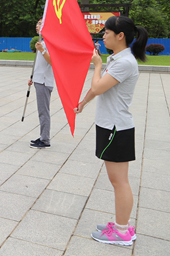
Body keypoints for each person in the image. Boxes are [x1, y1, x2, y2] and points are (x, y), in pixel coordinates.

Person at [74, 16, 148, 246]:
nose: (103, 36)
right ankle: (122, 225)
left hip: (115, 128)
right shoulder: (118, 59)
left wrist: (96, 65)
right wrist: (83, 102)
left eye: (106, 32)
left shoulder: (124, 62)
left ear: (120, 36)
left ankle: (122, 231)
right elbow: (100, 89)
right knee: (118, 180)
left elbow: (98, 85)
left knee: (119, 182)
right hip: (112, 126)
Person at [28, 19, 55, 149]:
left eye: (40, 23)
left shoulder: (49, 44)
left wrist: (42, 50)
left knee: (43, 111)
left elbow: (52, 62)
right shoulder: (42, 43)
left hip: (44, 82)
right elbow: (39, 64)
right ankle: (43, 136)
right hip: (39, 80)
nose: (37, 26)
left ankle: (45, 140)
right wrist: (32, 77)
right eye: (37, 23)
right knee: (41, 111)